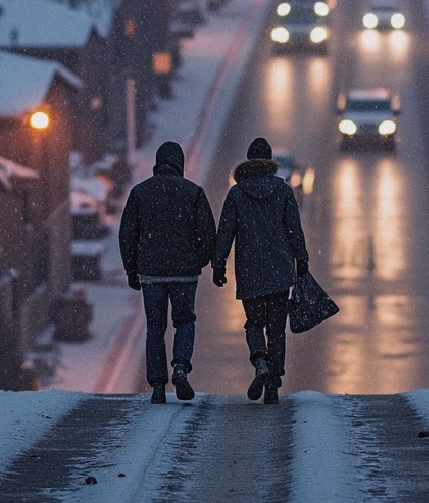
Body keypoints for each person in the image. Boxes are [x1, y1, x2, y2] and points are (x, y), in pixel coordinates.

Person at [118, 140, 217, 404]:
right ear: (180, 165)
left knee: (155, 328)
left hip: (151, 273)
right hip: (184, 272)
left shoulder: (140, 193)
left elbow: (127, 234)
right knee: (184, 321)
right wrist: (198, 261)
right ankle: (181, 367)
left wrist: (132, 269)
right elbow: (208, 234)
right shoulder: (193, 193)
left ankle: (158, 385)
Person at [211, 136, 308, 404]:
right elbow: (294, 230)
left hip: (250, 270)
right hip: (279, 270)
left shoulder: (237, 193)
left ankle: (261, 361)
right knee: (277, 328)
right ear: (270, 163)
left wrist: (218, 264)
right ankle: (274, 384)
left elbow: (226, 232)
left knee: (254, 323)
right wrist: (302, 258)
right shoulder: (284, 190)